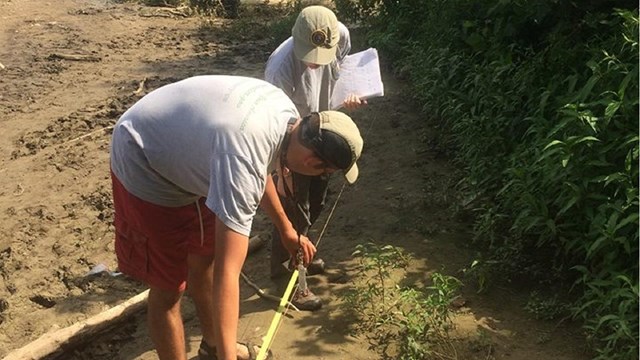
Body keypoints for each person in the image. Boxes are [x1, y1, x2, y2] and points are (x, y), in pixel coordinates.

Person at [109, 75, 363, 360]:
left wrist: (287, 230)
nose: (321, 177)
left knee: (205, 261)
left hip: (197, 152)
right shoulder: (241, 158)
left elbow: (260, 168)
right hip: (143, 157)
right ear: (313, 162)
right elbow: (229, 275)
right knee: (169, 289)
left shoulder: (289, 121)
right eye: (325, 173)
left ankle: (215, 346)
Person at [264, 5, 365, 311]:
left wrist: (350, 95)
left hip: (323, 131)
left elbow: (343, 72)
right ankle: (286, 278)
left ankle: (301, 252)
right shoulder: (279, 69)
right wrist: (282, 175)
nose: (314, 63)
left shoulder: (342, 36)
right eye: (308, 55)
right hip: (295, 143)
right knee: (294, 208)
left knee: (317, 202)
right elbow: (277, 131)